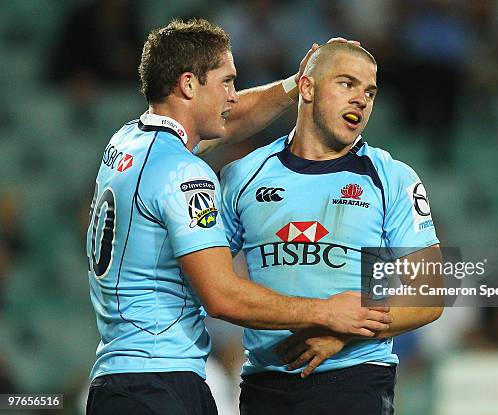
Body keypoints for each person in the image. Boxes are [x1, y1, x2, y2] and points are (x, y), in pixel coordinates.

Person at [85, 19, 392, 415]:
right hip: (159, 382)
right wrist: (328, 313)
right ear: (189, 85)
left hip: (120, 376)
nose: (233, 96)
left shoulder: (127, 142)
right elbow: (222, 295)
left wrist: (293, 84)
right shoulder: (185, 173)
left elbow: (227, 121)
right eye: (227, 82)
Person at [219, 42, 444, 415]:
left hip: (356, 379)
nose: (361, 99)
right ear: (306, 88)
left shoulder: (391, 177)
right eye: (346, 84)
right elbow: (213, 282)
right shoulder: (243, 175)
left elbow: (429, 293)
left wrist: (343, 332)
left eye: (369, 91)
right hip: (264, 383)